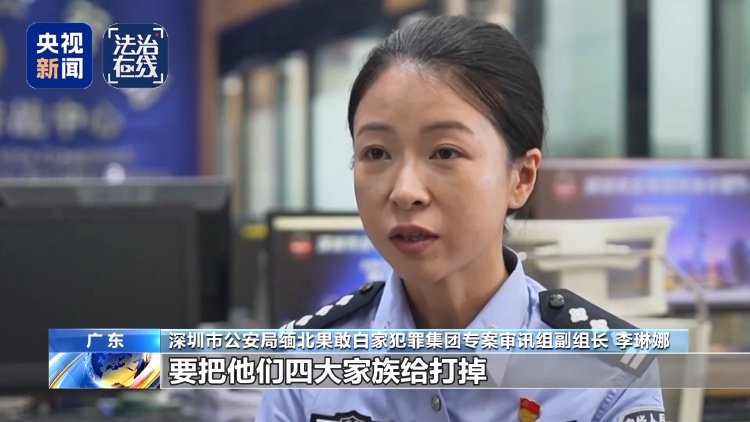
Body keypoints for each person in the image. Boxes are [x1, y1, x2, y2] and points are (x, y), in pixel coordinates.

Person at [257, 15, 664, 422]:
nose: (405, 192)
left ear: (521, 177)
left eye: (445, 152)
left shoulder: (610, 374)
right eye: (376, 153)